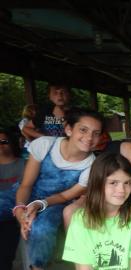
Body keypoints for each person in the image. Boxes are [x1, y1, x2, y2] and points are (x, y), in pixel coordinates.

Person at [0, 108, 104, 270]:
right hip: (25, 192)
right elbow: (26, 184)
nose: (89, 137)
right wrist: (20, 209)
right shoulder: (45, 144)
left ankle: (37, 266)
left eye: (96, 133)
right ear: (69, 129)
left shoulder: (92, 166)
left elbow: (64, 196)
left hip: (56, 202)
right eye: (83, 130)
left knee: (43, 227)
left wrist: (39, 204)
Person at [63, 153, 131, 269]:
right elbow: (83, 267)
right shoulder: (80, 219)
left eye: (127, 183)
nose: (121, 190)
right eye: (113, 183)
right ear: (97, 183)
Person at [0, 128, 25, 269]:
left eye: (4, 141)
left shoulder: (25, 164)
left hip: (16, 216)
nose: (1, 145)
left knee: (5, 257)